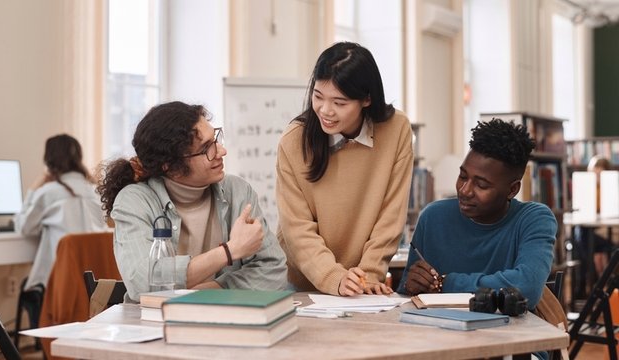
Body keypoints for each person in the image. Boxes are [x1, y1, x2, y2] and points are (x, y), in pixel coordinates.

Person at [98, 101, 287, 302]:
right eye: (207, 148)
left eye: (215, 139)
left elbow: (273, 270)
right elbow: (142, 283)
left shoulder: (238, 191)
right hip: (155, 325)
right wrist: (230, 251)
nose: (221, 151)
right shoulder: (134, 202)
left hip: (227, 321)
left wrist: (210, 291)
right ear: (170, 166)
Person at [276, 42, 414, 296]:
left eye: (339, 102)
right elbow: (296, 228)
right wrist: (334, 277)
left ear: (367, 99)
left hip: (362, 284)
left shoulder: (396, 129)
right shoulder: (294, 140)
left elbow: (391, 214)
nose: (325, 111)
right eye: (318, 97)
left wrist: (370, 274)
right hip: (302, 283)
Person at [397, 119, 557, 312]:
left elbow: (527, 288)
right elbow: (406, 295)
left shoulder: (533, 219)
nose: (465, 191)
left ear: (512, 189)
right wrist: (411, 285)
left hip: (507, 335)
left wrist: (446, 283)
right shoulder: (433, 217)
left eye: (481, 185)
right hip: (439, 334)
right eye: (463, 176)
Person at [14, 134, 107, 291]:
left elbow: (24, 228)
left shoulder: (48, 192)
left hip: (61, 282)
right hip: (95, 281)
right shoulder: (94, 191)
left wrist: (32, 190)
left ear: (49, 162)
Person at [572, 155, 613, 299]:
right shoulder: (585, 188)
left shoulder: (612, 189)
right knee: (581, 233)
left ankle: (583, 286)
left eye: (600, 174)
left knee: (582, 240)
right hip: (590, 230)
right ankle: (593, 282)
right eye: (593, 174)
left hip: (605, 230)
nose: (596, 178)